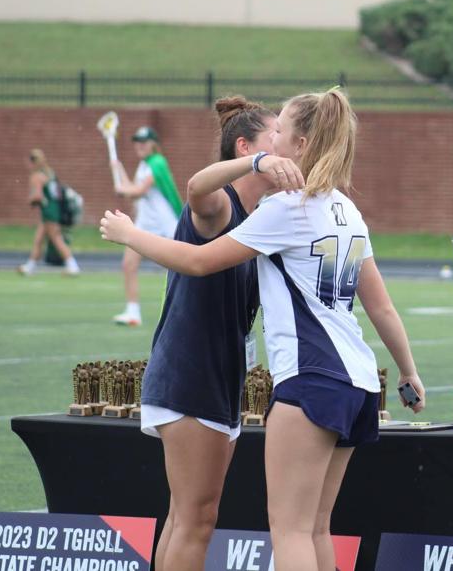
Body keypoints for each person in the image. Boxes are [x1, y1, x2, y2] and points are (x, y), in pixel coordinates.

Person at [100, 88, 426, 571]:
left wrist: (130, 236)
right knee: (315, 529)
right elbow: (380, 307)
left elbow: (197, 261)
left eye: (280, 131)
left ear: (299, 144)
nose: (274, 141)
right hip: (357, 381)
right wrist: (408, 371)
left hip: (311, 378)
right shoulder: (346, 209)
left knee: (289, 531)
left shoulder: (286, 208)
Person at [143, 96, 302, 571]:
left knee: (185, 517)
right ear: (244, 148)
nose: (282, 145)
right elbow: (196, 187)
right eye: (274, 136)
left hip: (215, 378)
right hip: (191, 377)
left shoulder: (255, 220)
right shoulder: (221, 206)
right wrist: (257, 164)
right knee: (196, 520)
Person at [110, 126, 183, 326]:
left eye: (144, 142)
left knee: (180, 268)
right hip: (145, 223)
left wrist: (123, 191)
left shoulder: (157, 162)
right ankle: (133, 312)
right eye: (137, 142)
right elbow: (131, 190)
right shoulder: (143, 165)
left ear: (153, 144)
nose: (140, 146)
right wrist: (118, 169)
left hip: (165, 224)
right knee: (129, 264)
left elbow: (139, 191)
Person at [16, 149, 81, 276]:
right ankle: (30, 266)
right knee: (39, 239)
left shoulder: (36, 176)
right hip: (54, 209)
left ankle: (73, 266)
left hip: (49, 211)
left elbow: (37, 196)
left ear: (31, 162)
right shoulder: (49, 173)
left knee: (56, 239)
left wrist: (30, 200)